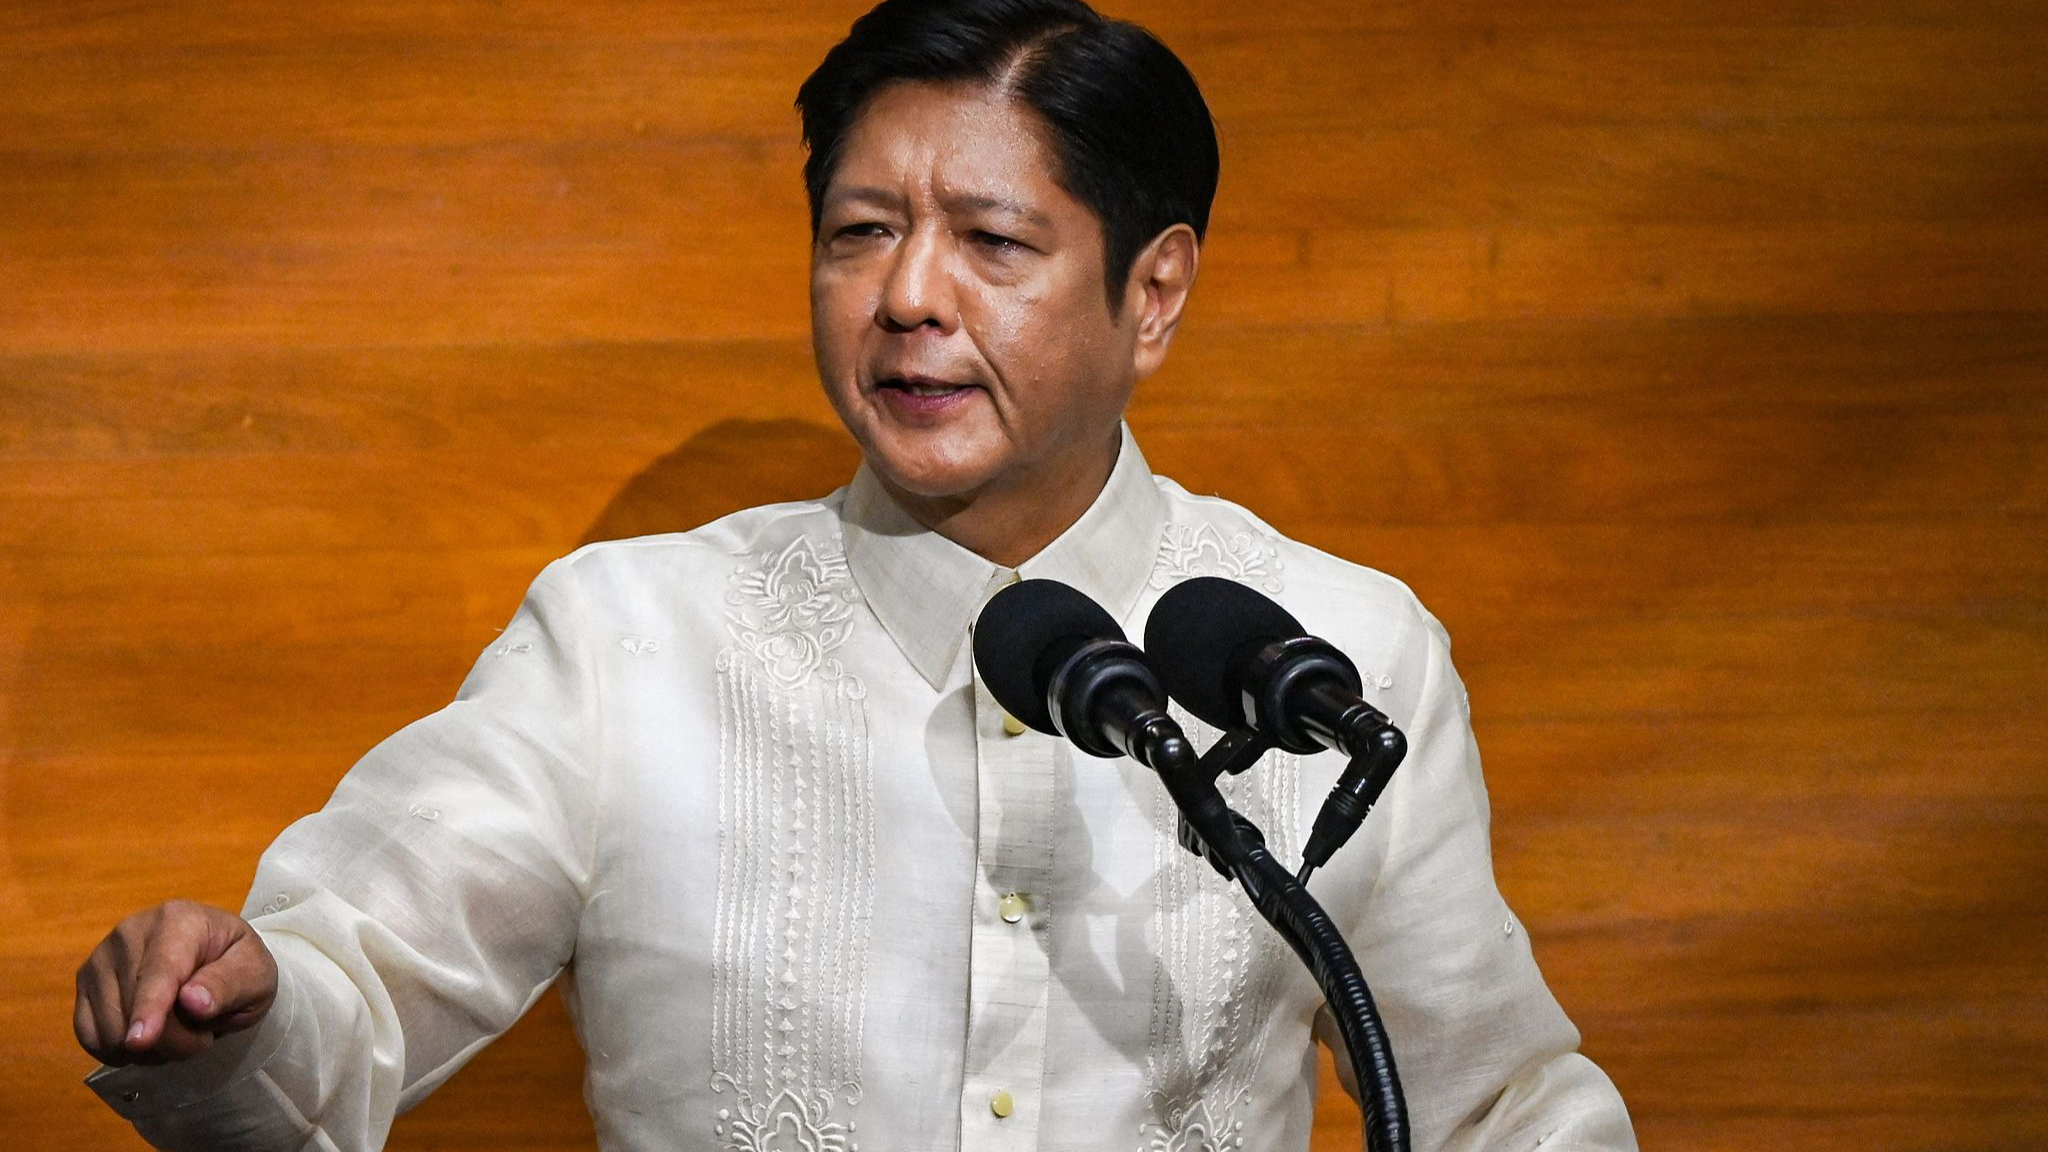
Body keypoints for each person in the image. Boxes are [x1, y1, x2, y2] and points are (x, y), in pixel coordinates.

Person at [73, 1, 1637, 1149]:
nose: (904, 299)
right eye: (861, 231)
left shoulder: (1332, 658)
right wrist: (244, 1005)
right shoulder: (630, 641)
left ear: (1151, 294)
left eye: (991, 244)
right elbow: (346, 999)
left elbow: (1498, 1103)